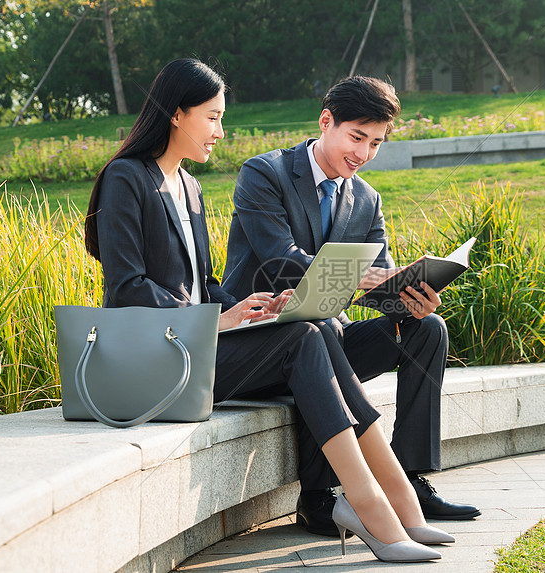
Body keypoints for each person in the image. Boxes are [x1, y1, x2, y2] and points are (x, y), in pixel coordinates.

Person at [84, 58, 451, 563]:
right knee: (307, 333)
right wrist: (222, 319)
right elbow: (127, 289)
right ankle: (377, 507)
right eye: (212, 117)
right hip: (155, 360)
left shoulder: (188, 186)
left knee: (315, 327)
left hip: (202, 349)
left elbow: (205, 286)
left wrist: (252, 309)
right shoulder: (125, 178)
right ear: (176, 114)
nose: (220, 130)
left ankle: (389, 505)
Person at [222, 76, 481, 535]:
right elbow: (280, 261)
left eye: (376, 143)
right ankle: (318, 498)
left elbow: (382, 289)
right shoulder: (264, 174)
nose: (363, 154)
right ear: (327, 122)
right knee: (319, 331)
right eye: (356, 137)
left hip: (331, 339)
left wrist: (412, 298)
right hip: (263, 342)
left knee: (429, 329)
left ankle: (412, 478)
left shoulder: (366, 198)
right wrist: (355, 275)